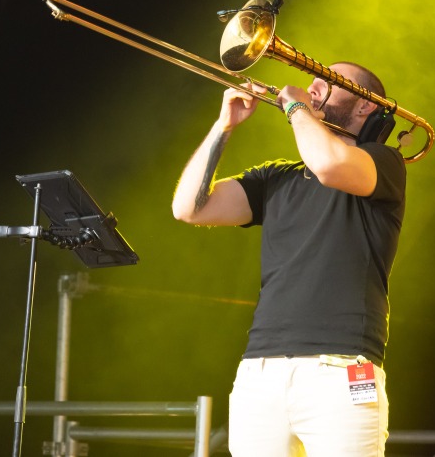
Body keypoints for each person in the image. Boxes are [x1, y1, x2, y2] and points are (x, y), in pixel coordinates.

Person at [171, 62, 405, 456]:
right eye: (313, 80)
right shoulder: (275, 177)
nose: (312, 87)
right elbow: (190, 209)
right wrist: (223, 126)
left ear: (365, 106)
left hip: (342, 368)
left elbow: (330, 165)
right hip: (261, 371)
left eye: (328, 83)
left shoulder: (383, 161)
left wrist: (296, 106)